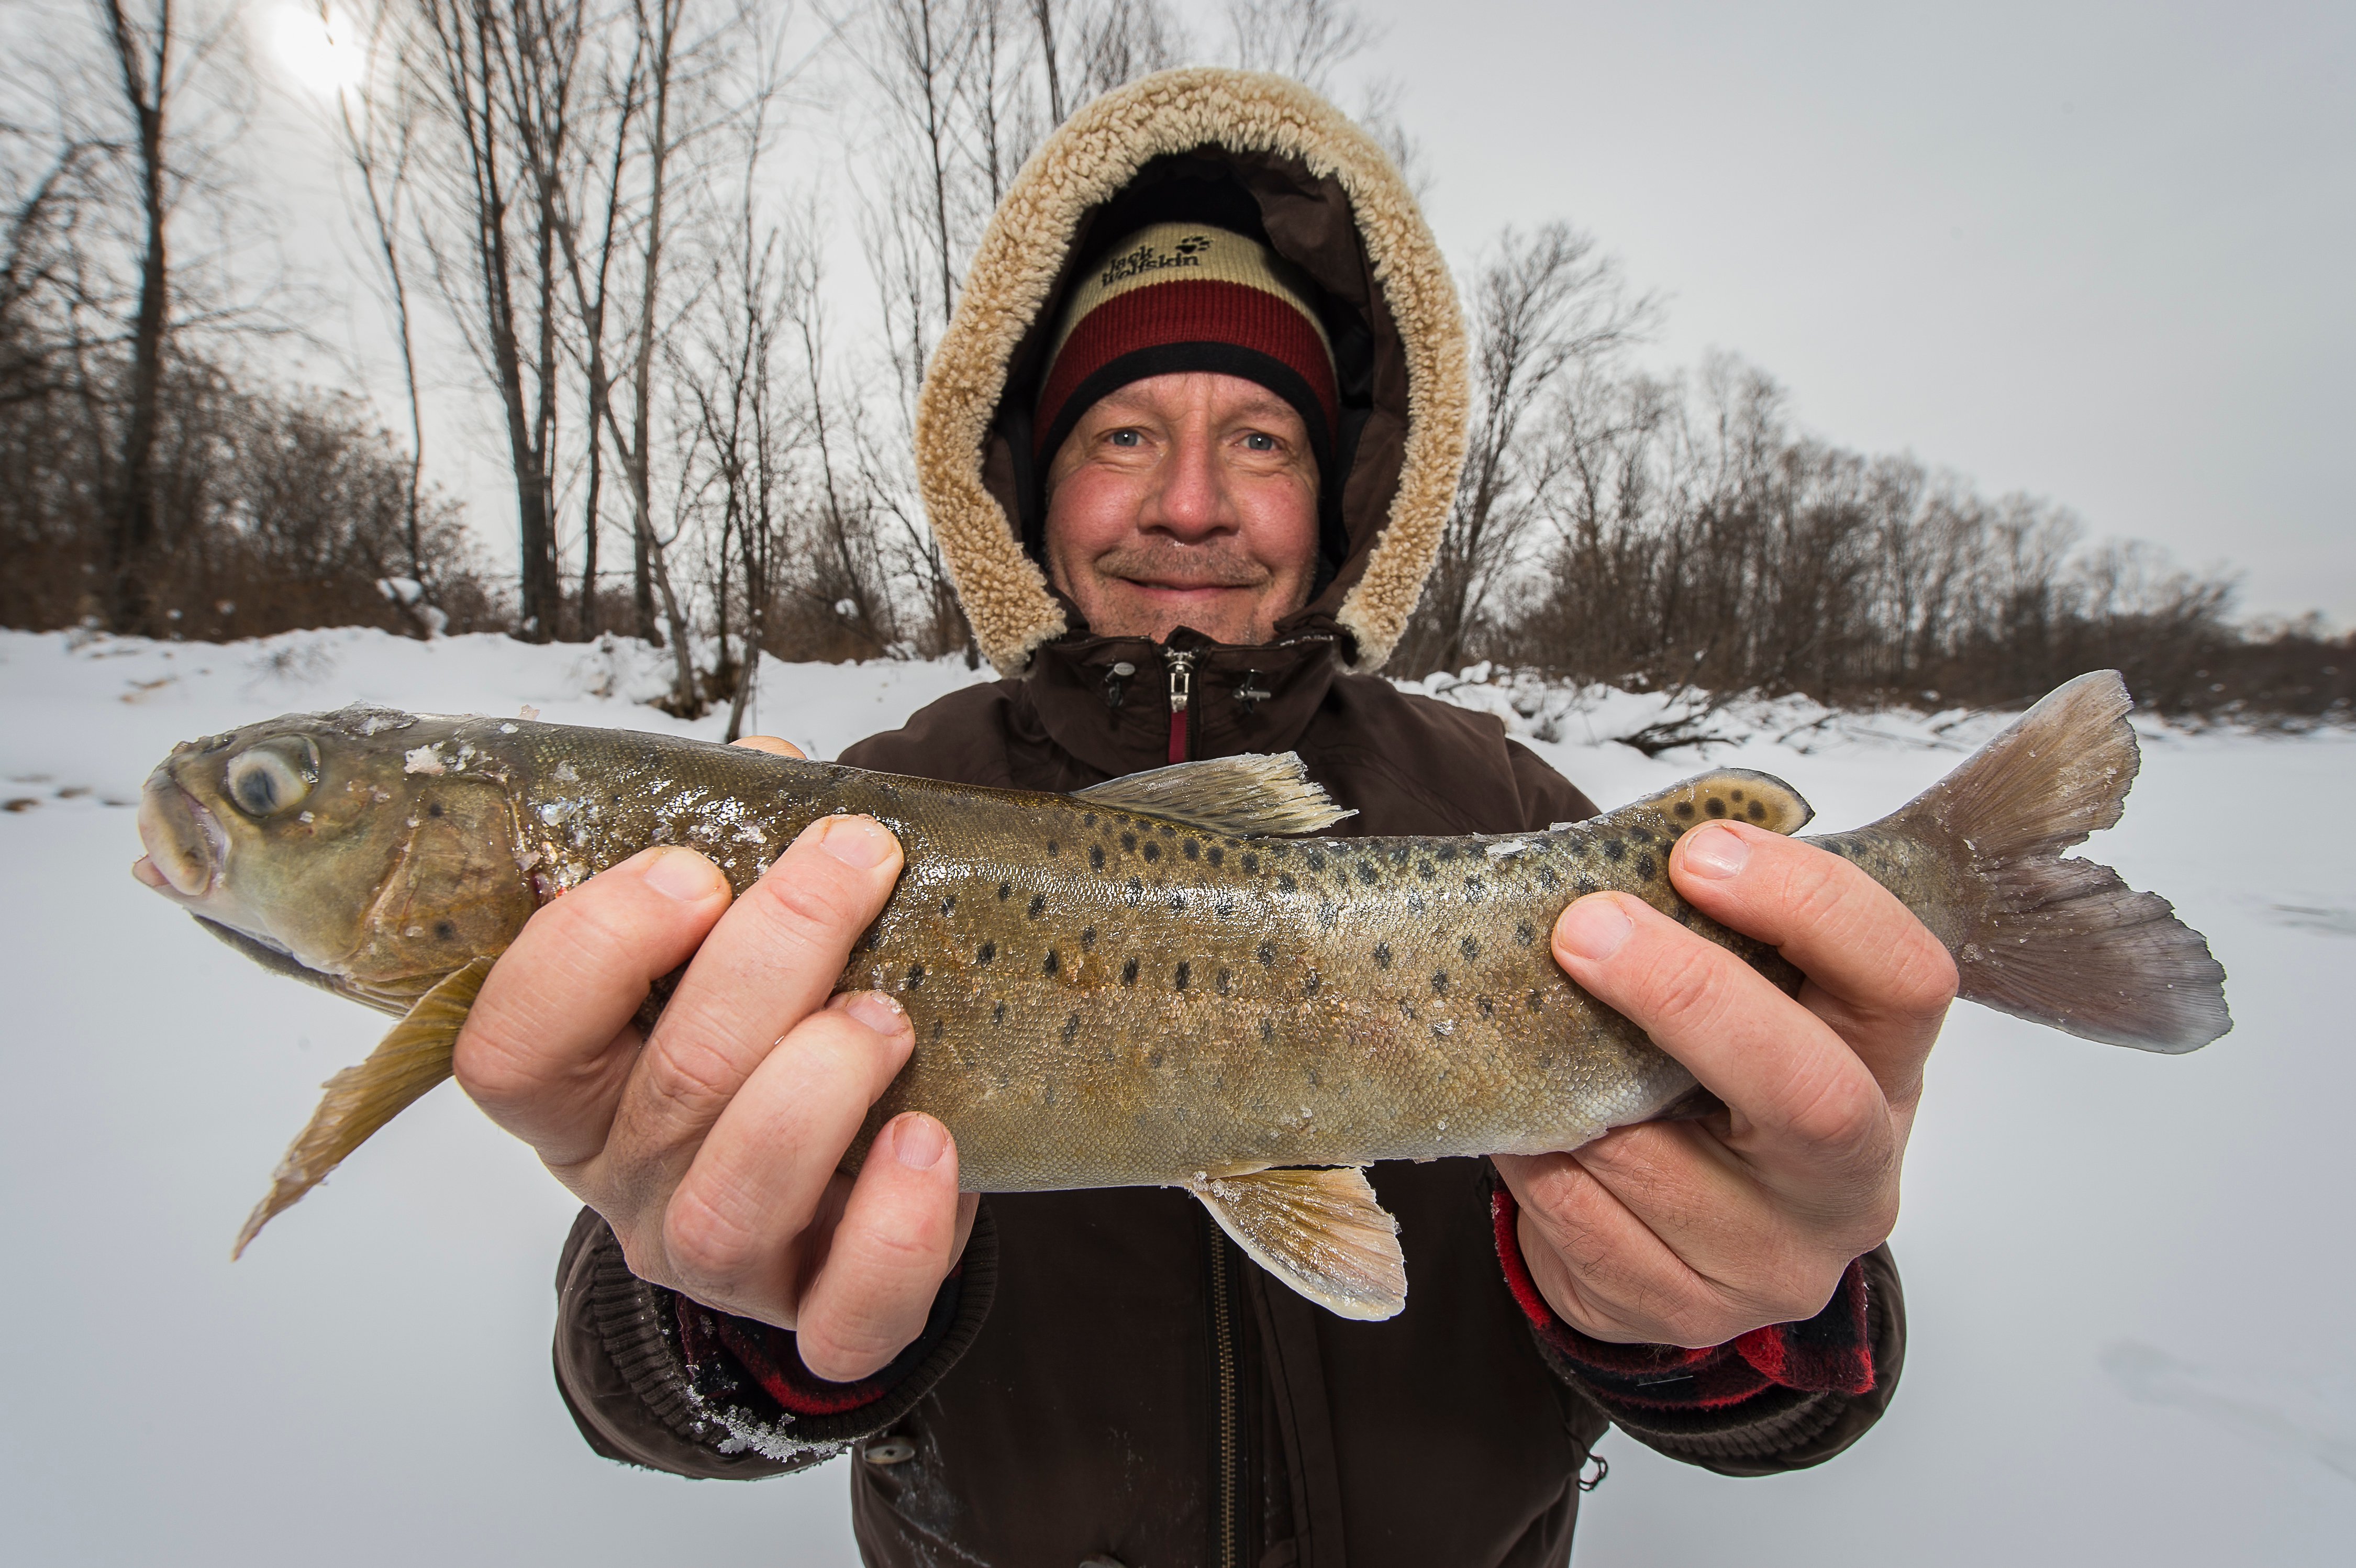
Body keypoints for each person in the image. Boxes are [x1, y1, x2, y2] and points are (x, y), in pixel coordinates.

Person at [452, 69, 1951, 1567]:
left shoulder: (1502, 809)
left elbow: (1807, 1388)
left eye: (1260, 439)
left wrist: (1744, 1316)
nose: (1187, 503)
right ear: (1026, 487)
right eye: (1119, 435)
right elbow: (633, 1400)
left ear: (1340, 495)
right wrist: (724, 1316)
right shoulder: (861, 833)